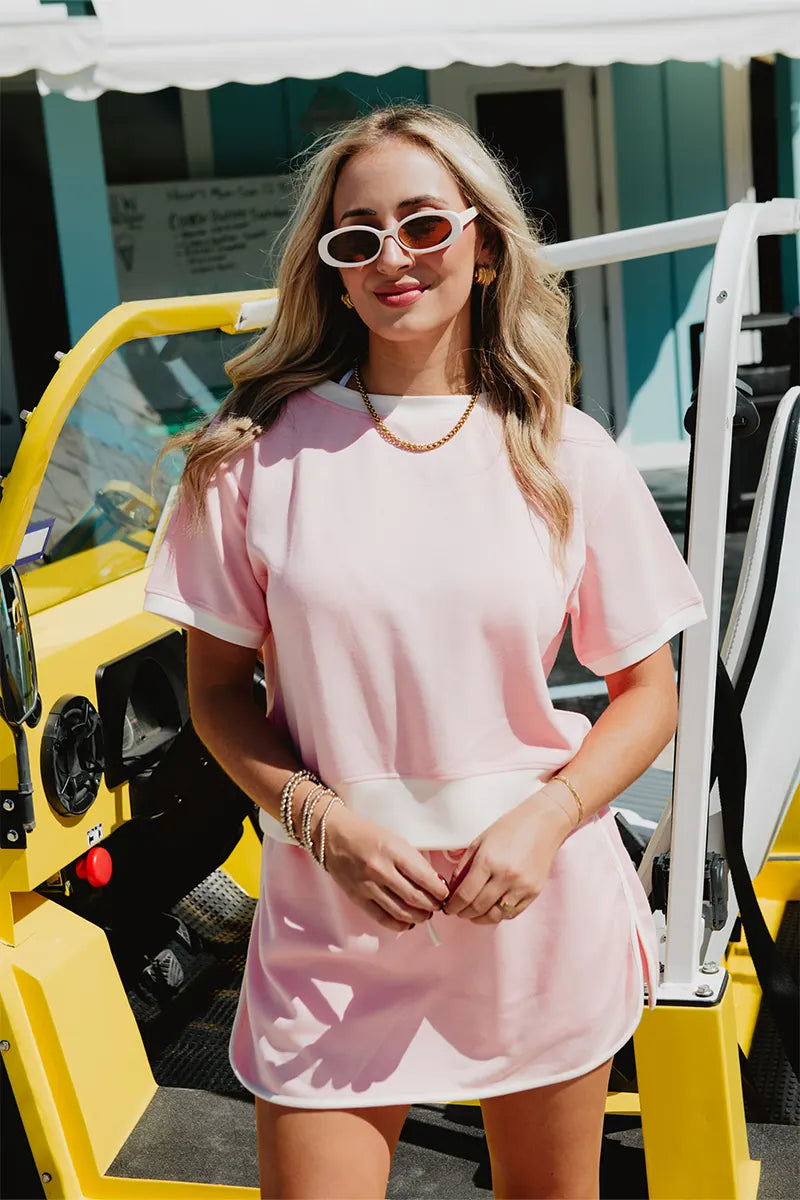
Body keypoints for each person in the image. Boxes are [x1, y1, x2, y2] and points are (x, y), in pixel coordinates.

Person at [143, 104, 706, 1199]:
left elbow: (648, 692)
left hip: (533, 908)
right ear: (332, 271)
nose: (392, 257)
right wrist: (326, 825)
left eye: (423, 226)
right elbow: (215, 695)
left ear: (484, 245)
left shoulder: (562, 453)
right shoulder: (250, 459)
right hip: (332, 916)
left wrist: (547, 819)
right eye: (356, 238)